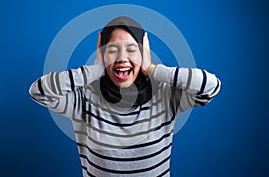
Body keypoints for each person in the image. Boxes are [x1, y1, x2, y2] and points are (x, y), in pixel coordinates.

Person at [29, 16, 221, 176]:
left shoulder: (165, 96)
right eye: (112, 50)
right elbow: (39, 91)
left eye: (131, 49)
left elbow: (211, 86)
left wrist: (152, 69)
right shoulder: (83, 99)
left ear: (143, 53)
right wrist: (95, 70)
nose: (122, 58)